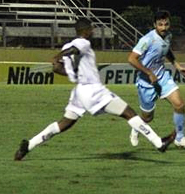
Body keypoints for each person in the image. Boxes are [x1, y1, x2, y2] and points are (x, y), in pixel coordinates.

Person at [14, 18, 175, 161]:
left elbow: (57, 69)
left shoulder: (67, 44)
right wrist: (58, 55)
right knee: (129, 112)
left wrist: (60, 62)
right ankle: (158, 142)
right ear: (84, 31)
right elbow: (75, 49)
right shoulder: (82, 43)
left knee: (64, 123)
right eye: (91, 28)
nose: (93, 31)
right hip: (93, 91)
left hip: (79, 91)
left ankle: (29, 145)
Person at [127, 10, 185, 151]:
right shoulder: (147, 40)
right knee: (147, 118)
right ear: (154, 25)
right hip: (146, 83)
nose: (164, 28)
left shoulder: (168, 36)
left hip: (163, 77)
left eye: (166, 24)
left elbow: (167, 50)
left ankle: (180, 138)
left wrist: (177, 66)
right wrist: (149, 73)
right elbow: (131, 59)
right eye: (160, 25)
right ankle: (136, 127)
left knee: (179, 104)